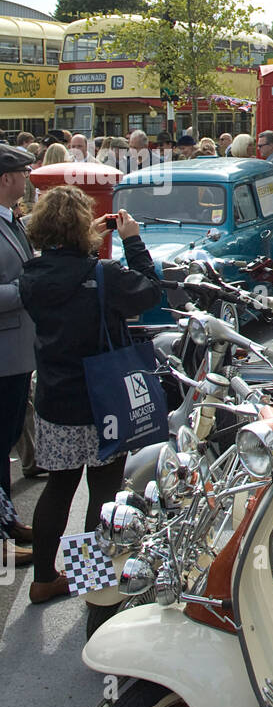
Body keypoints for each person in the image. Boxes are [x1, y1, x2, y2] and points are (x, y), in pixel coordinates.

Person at [17, 187, 162, 606]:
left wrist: (85, 244)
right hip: (102, 401)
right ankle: (94, 584)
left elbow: (65, 276)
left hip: (54, 397)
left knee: (59, 488)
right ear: (83, 228)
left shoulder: (32, 275)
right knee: (102, 491)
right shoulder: (103, 275)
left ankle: (44, 578)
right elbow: (152, 292)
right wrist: (132, 241)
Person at [0, 143, 36, 568]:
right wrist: (27, 290)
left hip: (15, 352)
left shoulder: (11, 219)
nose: (27, 180)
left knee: (6, 439)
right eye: (22, 173)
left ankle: (7, 520)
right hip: (4, 351)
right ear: (6, 178)